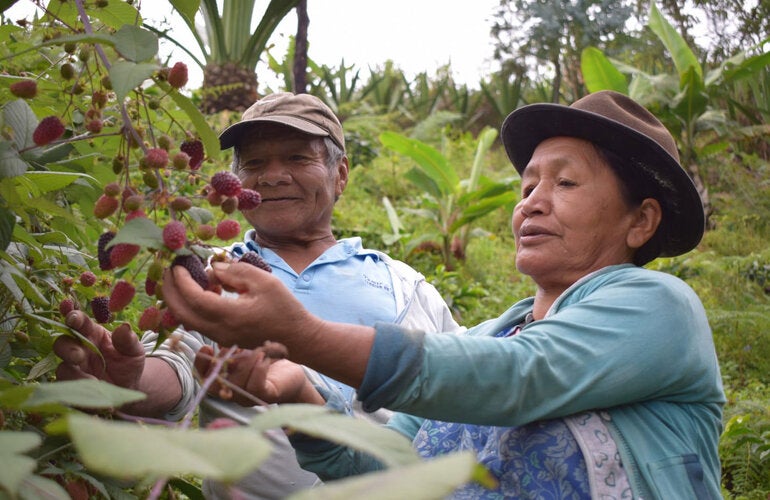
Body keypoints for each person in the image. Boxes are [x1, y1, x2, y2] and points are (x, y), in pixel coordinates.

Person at [161, 90, 726, 499]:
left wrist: (301, 334)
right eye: (528, 185)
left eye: (566, 183)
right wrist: (300, 399)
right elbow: (387, 472)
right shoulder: (489, 336)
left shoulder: (661, 307)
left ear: (640, 221)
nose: (531, 202)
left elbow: (515, 377)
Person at [53, 92, 462, 499]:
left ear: (340, 175)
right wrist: (129, 380)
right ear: (234, 183)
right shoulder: (211, 273)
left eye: (297, 158)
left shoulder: (404, 284)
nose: (272, 176)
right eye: (254, 164)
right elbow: (176, 363)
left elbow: (462, 390)